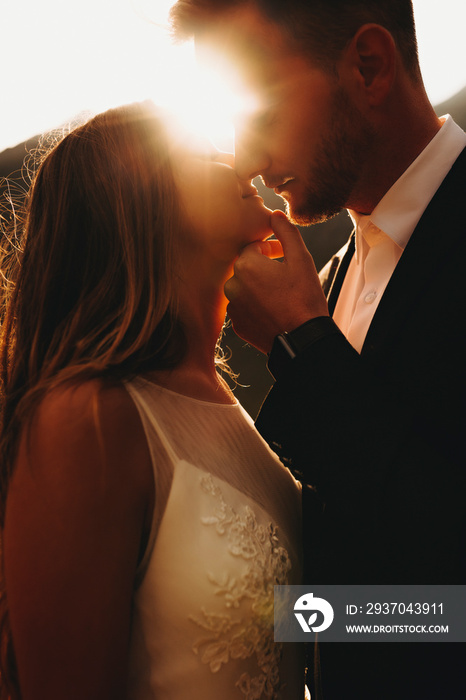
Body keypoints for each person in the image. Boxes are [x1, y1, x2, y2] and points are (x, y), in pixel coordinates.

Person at [170, 1, 466, 699]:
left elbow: (446, 602)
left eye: (262, 115)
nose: (246, 159)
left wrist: (302, 341)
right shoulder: (330, 279)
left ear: (369, 67)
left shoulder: (309, 313)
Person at [0, 101, 304, 699]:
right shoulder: (87, 421)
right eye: (202, 153)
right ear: (138, 200)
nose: (237, 163)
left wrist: (439, 619)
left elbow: (290, 619)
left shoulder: (223, 403)